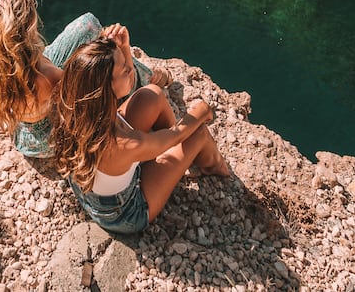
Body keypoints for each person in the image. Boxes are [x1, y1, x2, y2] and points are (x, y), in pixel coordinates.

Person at [0, 0, 167, 159]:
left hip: (25, 135)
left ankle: (135, 69)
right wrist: (120, 51)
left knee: (87, 24)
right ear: (29, 24)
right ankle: (149, 78)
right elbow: (92, 96)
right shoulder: (47, 76)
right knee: (112, 69)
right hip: (49, 138)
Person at [51, 36, 230, 236]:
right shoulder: (123, 143)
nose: (130, 68)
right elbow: (175, 136)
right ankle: (215, 167)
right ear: (104, 88)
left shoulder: (75, 109)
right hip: (123, 212)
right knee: (199, 133)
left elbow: (135, 86)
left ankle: (174, 161)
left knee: (151, 95)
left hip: (92, 190)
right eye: (124, 69)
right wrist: (202, 111)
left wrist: (125, 48)